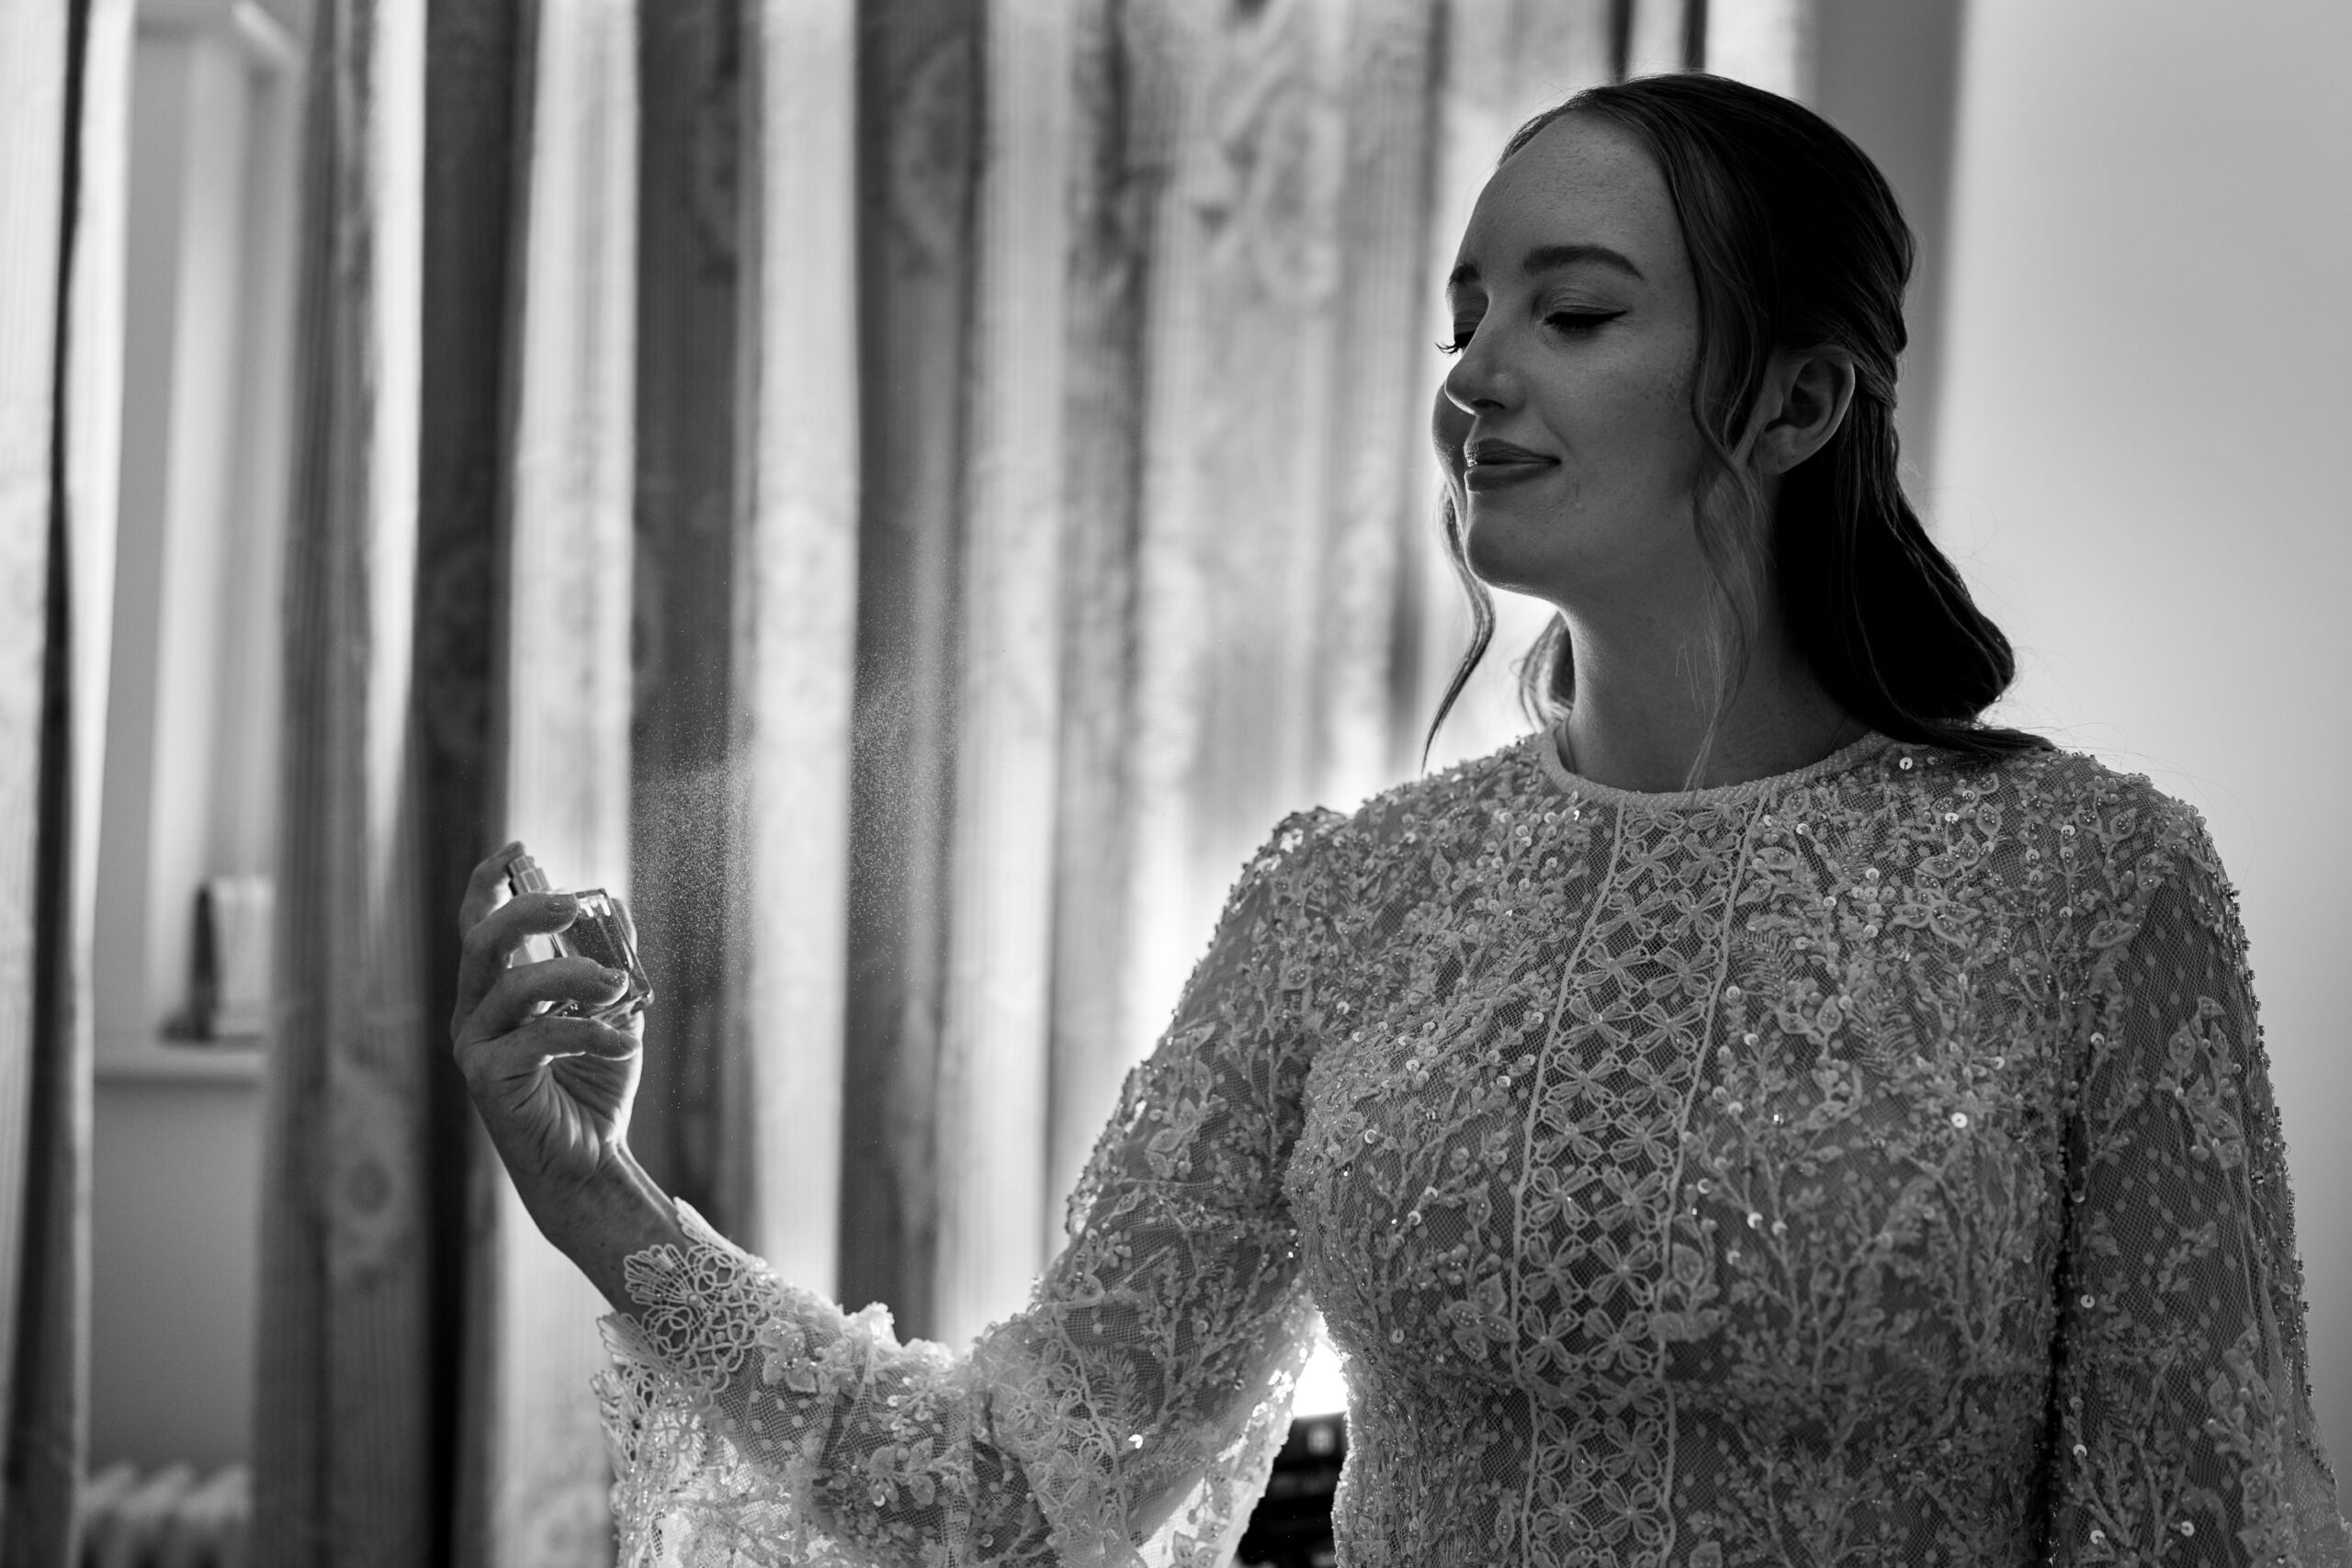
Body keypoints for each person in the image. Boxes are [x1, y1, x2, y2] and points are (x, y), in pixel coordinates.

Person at [449, 72, 2351, 1567]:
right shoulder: (1344, 900)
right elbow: (1019, 1494)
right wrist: (594, 1192)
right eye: (1463, 316)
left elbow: (2195, 1525)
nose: (1472, 376)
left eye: (1571, 310)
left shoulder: (2086, 887)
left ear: (1792, 402)